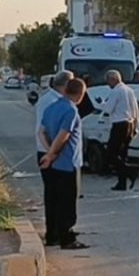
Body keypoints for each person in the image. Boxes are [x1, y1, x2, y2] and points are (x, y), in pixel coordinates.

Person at [39, 79, 88, 249]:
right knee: (67, 201)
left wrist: (48, 152)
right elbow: (64, 135)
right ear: (80, 94)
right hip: (68, 163)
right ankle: (67, 237)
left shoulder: (51, 108)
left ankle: (52, 235)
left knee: (52, 199)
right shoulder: (71, 110)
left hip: (52, 164)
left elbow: (42, 132)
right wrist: (52, 154)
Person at [101, 69, 139, 191]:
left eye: (108, 81)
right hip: (130, 123)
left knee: (111, 154)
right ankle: (122, 183)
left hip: (119, 124)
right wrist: (136, 126)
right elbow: (136, 109)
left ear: (113, 79)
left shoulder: (116, 91)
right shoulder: (129, 90)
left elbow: (108, 109)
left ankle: (130, 171)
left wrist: (101, 103)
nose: (108, 84)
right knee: (122, 154)